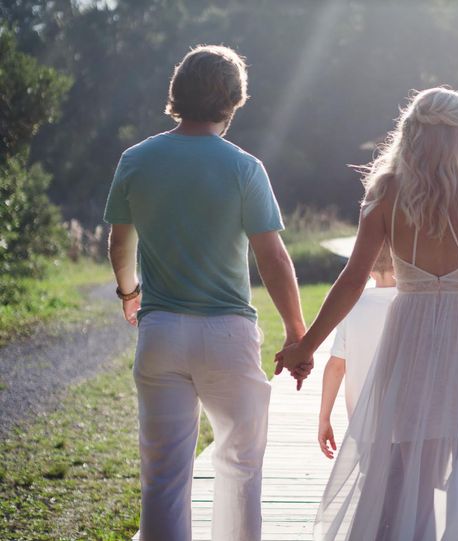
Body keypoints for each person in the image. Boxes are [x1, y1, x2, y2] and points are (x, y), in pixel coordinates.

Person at [276, 87, 458, 540]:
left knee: (403, 454)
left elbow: (351, 280)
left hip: (412, 327)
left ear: (412, 135)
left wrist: (307, 345)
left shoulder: (385, 193)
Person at [105, 45, 311, 541]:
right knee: (241, 464)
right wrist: (296, 331)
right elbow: (274, 257)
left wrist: (129, 292)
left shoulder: (136, 159)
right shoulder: (244, 168)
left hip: (159, 334)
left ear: (177, 93)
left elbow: (118, 242)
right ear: (234, 101)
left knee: (163, 474)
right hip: (227, 336)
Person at [318, 241, 397, 459]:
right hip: (409, 418)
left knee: (370, 483)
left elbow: (336, 366)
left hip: (365, 420)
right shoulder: (412, 303)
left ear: (367, 269)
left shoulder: (352, 306)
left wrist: (324, 418)